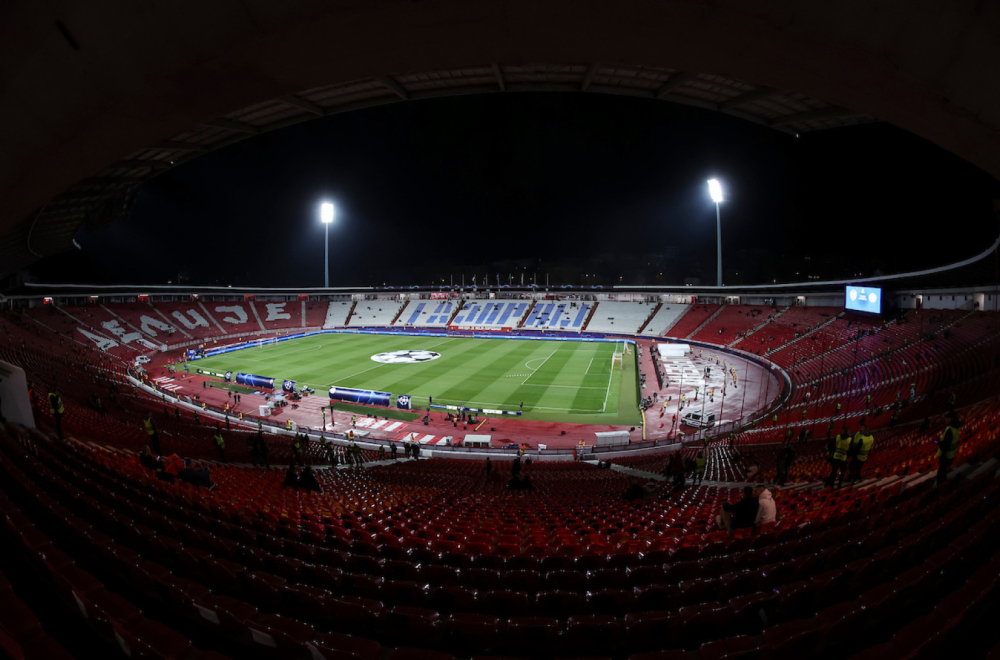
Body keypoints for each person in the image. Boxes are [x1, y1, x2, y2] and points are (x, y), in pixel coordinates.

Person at [936, 411, 962, 485]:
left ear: (951, 418)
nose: (945, 420)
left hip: (945, 455)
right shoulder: (957, 426)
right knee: (944, 470)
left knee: (941, 471)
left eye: (946, 418)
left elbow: (945, 444)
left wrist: (938, 443)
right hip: (952, 453)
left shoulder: (950, 429)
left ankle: (940, 485)